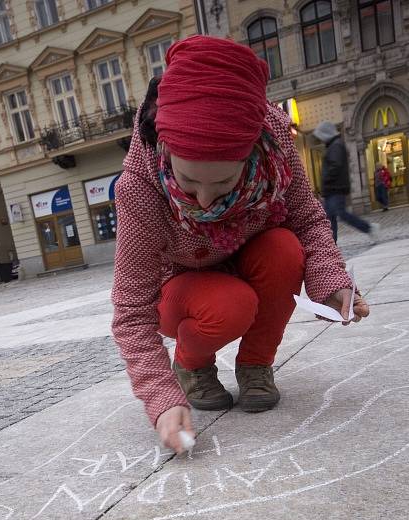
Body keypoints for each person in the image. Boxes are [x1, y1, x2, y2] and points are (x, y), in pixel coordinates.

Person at [112, 36, 370, 455]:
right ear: (165, 147)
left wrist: (331, 282)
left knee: (285, 248)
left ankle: (255, 365)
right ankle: (191, 366)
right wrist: (161, 397)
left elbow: (306, 218)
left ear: (251, 154)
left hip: (244, 262)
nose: (206, 200)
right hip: (178, 287)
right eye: (189, 181)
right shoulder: (139, 185)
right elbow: (130, 311)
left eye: (224, 183)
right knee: (231, 303)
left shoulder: (278, 150)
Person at [313, 120, 380, 243]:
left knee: (341, 214)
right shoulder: (334, 145)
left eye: (321, 136)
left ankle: (369, 228)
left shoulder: (336, 146)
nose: (321, 140)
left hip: (335, 189)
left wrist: (326, 180)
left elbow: (336, 165)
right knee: (330, 217)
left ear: (326, 134)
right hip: (332, 190)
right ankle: (332, 244)